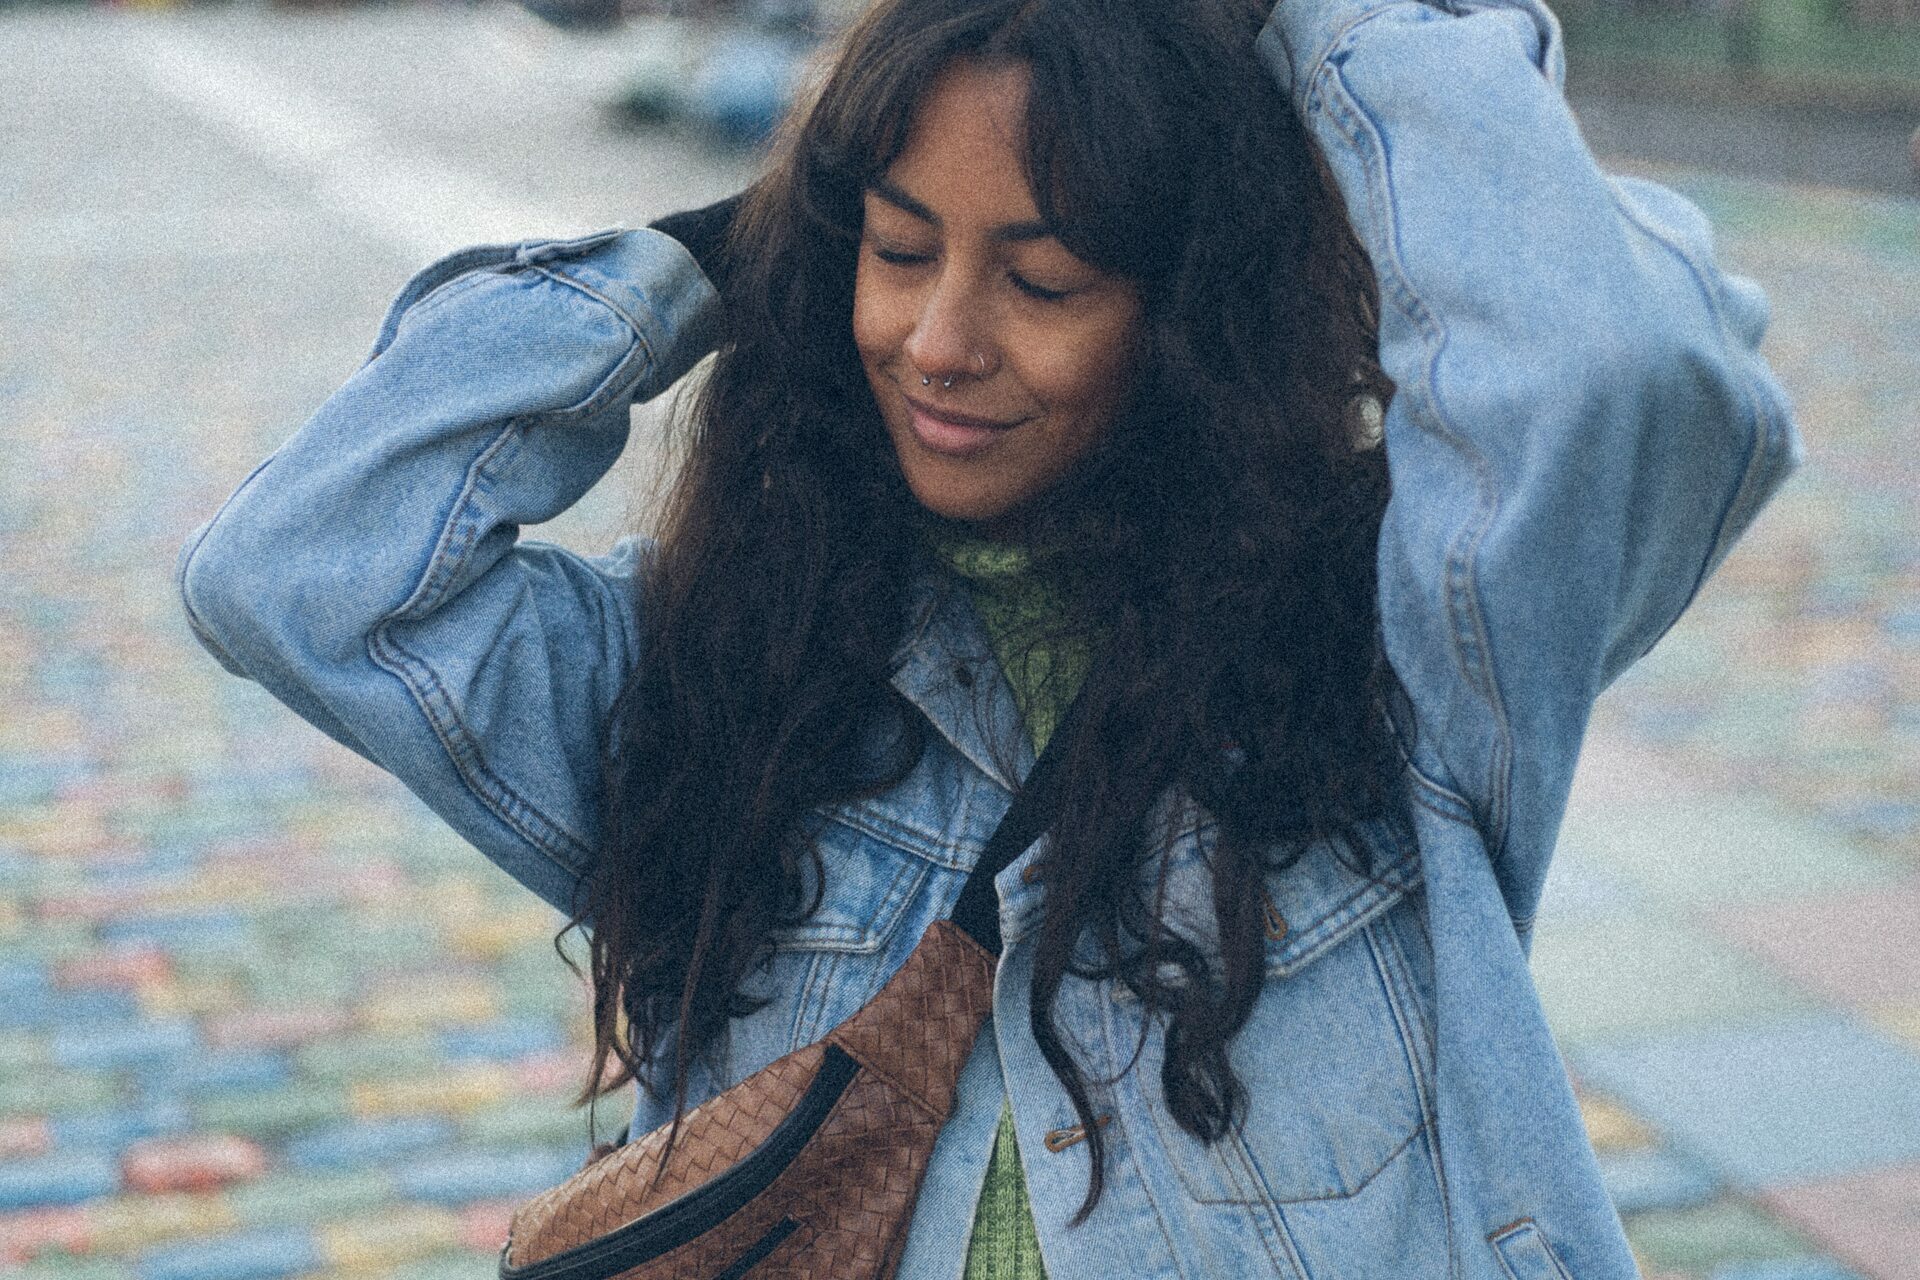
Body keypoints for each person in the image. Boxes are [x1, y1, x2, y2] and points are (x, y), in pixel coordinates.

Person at [176, 0, 1799, 1274]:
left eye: (1042, 281)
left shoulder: (1387, 663)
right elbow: (298, 569)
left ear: (1187, 316)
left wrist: (1326, 21)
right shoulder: (727, 675)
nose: (938, 342)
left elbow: (1612, 364)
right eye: (895, 250)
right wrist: (715, 261)